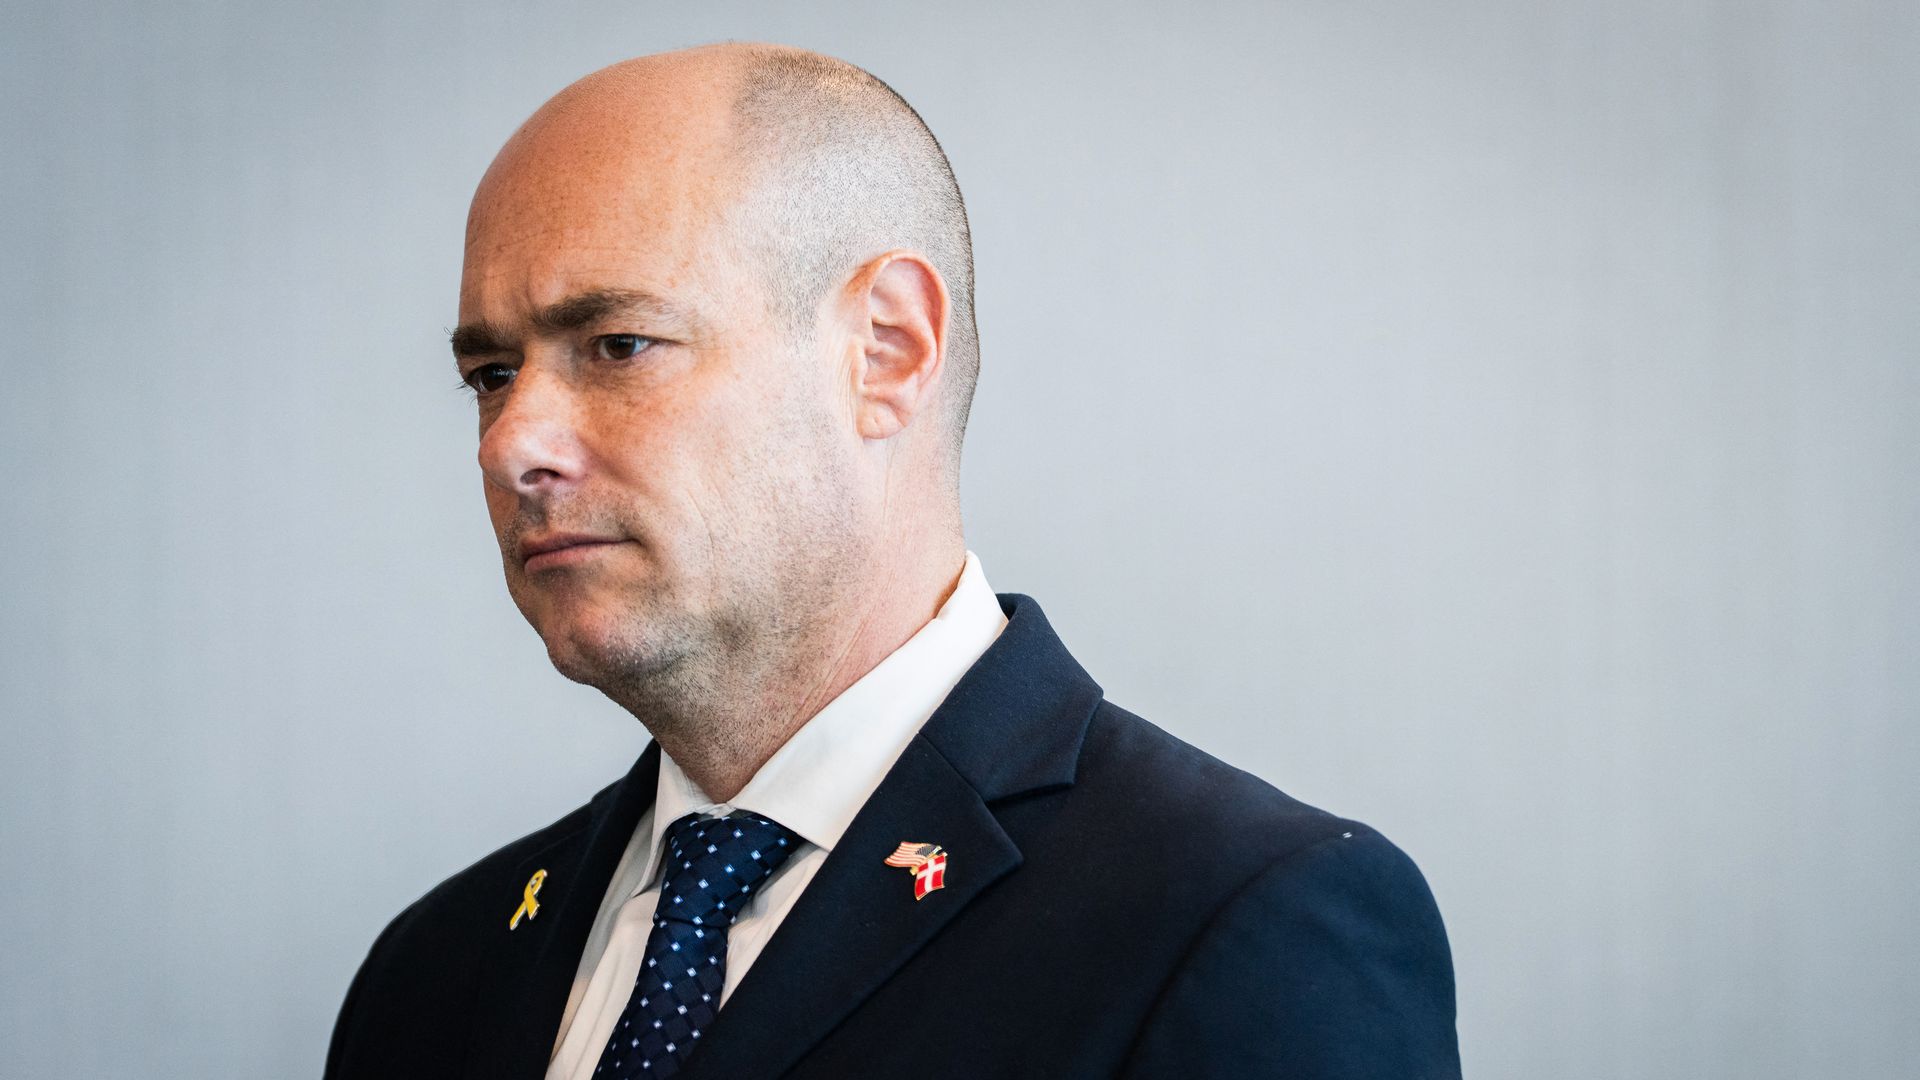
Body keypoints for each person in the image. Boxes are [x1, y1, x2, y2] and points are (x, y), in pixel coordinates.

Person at [325, 42, 1460, 1080]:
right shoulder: (435, 969)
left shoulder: (1240, 924)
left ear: (886, 352)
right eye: (490, 376)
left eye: (619, 345)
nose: (512, 442)